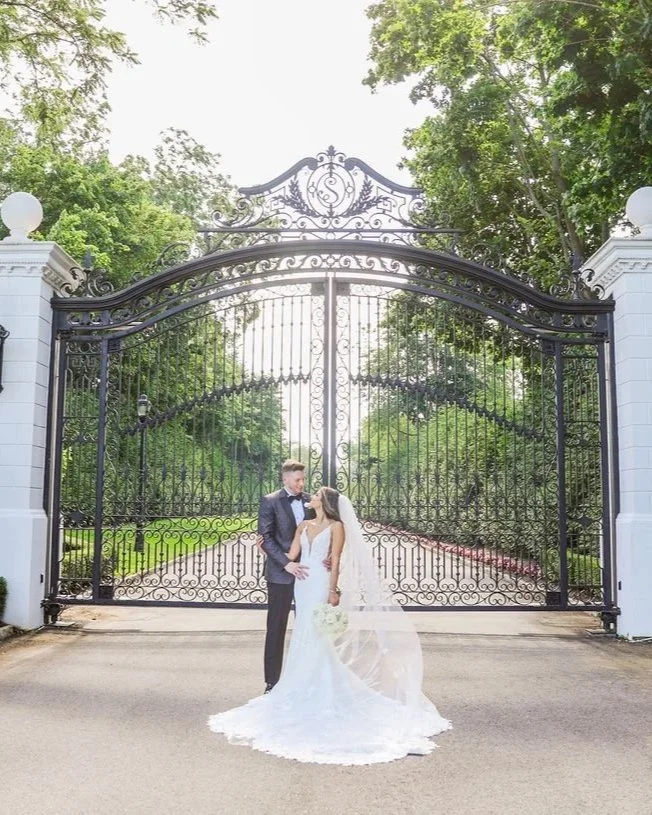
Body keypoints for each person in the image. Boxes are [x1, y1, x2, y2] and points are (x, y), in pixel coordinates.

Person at [208, 487, 452, 765]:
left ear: (324, 502)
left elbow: (335, 559)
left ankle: (320, 684)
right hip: (303, 582)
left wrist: (333, 590)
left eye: (315, 495)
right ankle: (299, 683)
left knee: (316, 634)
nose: (310, 496)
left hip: (321, 583)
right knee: (303, 634)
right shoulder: (303, 525)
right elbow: (291, 556)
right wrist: (265, 548)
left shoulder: (338, 526)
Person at [257, 459, 312, 693]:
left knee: (308, 627)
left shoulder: (311, 500)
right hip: (281, 574)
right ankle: (272, 682)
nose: (301, 484)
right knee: (276, 627)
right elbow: (265, 537)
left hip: (309, 574)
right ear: (285, 479)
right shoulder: (270, 501)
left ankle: (306, 678)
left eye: (303, 479)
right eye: (297, 479)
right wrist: (286, 563)